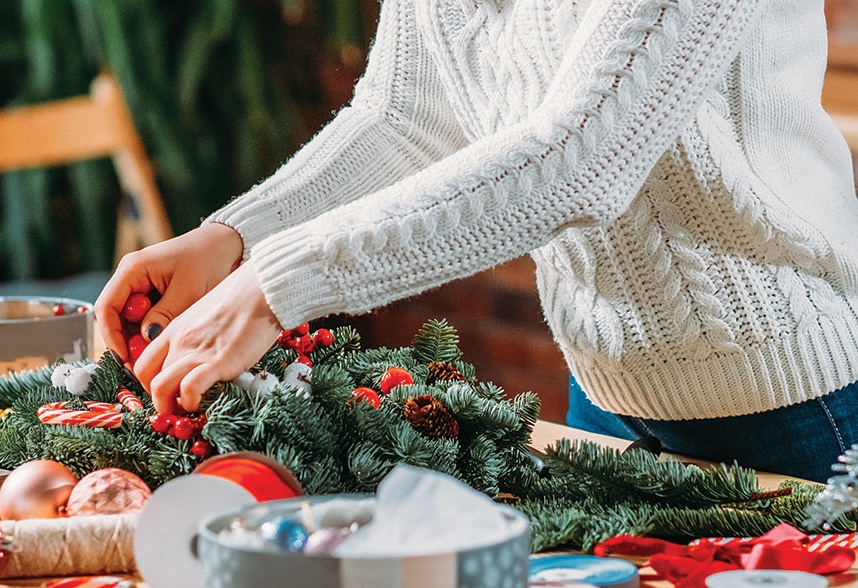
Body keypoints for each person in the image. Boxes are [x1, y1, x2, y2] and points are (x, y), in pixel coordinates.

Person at [95, 0, 858, 482]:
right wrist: (232, 236)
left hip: (788, 402)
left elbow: (582, 153)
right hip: (606, 395)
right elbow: (403, 119)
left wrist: (274, 282)